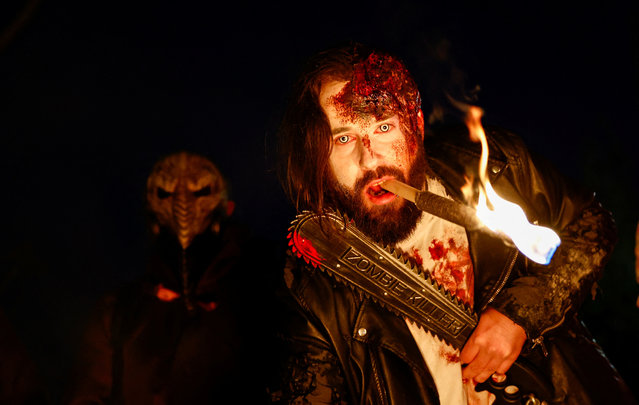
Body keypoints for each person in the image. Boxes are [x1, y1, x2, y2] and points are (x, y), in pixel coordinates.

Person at [269, 43, 636, 404]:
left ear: (415, 126)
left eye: (384, 127)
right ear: (318, 153)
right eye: (344, 138)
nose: (370, 159)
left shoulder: (500, 168)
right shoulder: (309, 286)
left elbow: (592, 226)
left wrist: (520, 315)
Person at [65, 152, 278, 404]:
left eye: (199, 191)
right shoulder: (119, 312)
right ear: (151, 211)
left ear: (225, 206)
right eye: (166, 193)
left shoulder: (263, 293)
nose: (183, 205)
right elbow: (88, 395)